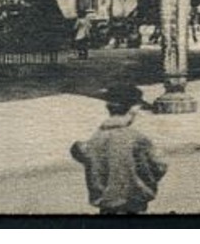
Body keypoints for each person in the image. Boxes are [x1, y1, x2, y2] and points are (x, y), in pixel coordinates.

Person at [70, 82, 167, 216]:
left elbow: (82, 154)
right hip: (134, 205)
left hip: (106, 207)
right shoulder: (137, 139)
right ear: (133, 108)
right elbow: (158, 167)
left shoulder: (95, 139)